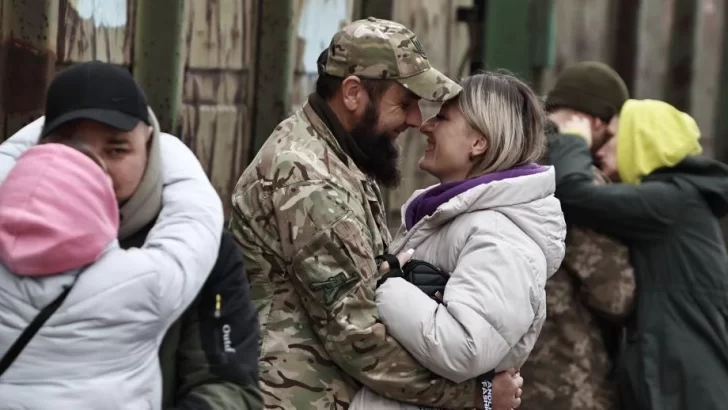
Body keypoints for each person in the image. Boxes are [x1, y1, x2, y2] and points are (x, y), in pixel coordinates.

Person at [230, 17, 523, 410]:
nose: (418, 119)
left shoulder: (340, 154)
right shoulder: (310, 181)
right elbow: (357, 338)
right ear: (353, 93)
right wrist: (477, 395)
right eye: (404, 102)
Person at [0, 61, 262, 409]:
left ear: (149, 145)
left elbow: (228, 382)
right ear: (42, 147)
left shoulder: (206, 249)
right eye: (73, 149)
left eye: (116, 150)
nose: (97, 167)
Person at [348, 71, 566, 409]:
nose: (425, 126)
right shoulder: (448, 216)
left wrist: (385, 284)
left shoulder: (500, 236)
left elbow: (466, 348)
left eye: (443, 118)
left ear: (479, 142)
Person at [0, 136, 222, 407]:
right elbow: (194, 217)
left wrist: (49, 129)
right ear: (99, 206)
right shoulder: (141, 282)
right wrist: (160, 141)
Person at [548, 98, 728, 409]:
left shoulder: (669, 201)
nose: (600, 151)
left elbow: (576, 194)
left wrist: (573, 142)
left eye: (613, 139)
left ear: (641, 141)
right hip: (684, 377)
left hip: (684, 383)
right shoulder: (679, 200)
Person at [519, 61, 637, 410]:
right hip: (563, 380)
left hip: (496, 379)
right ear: (597, 121)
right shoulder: (580, 184)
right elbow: (616, 295)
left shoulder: (507, 159)